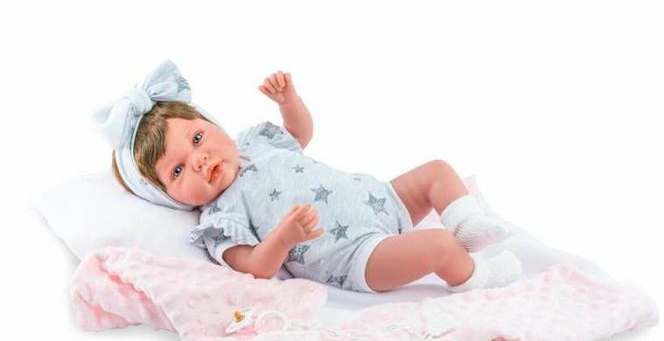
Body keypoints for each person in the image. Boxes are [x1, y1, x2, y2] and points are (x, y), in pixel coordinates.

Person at [96, 60, 522, 294]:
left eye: (197, 138)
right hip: (357, 254)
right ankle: (474, 279)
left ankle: (467, 225)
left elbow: (300, 134)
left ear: (213, 124)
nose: (199, 159)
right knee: (437, 246)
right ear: (169, 196)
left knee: (437, 171)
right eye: (176, 170)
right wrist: (283, 237)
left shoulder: (256, 143)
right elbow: (256, 268)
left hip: (380, 201)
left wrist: (289, 102)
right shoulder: (220, 218)